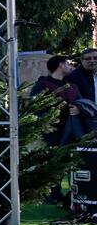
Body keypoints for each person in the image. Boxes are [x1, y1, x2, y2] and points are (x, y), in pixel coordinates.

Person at [31, 55, 81, 205]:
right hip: (53, 130)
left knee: (67, 162)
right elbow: (35, 107)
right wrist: (48, 122)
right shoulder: (42, 85)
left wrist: (79, 108)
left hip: (72, 129)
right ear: (61, 65)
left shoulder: (72, 86)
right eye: (68, 63)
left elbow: (80, 102)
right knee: (52, 161)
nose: (71, 66)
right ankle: (50, 194)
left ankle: (69, 193)